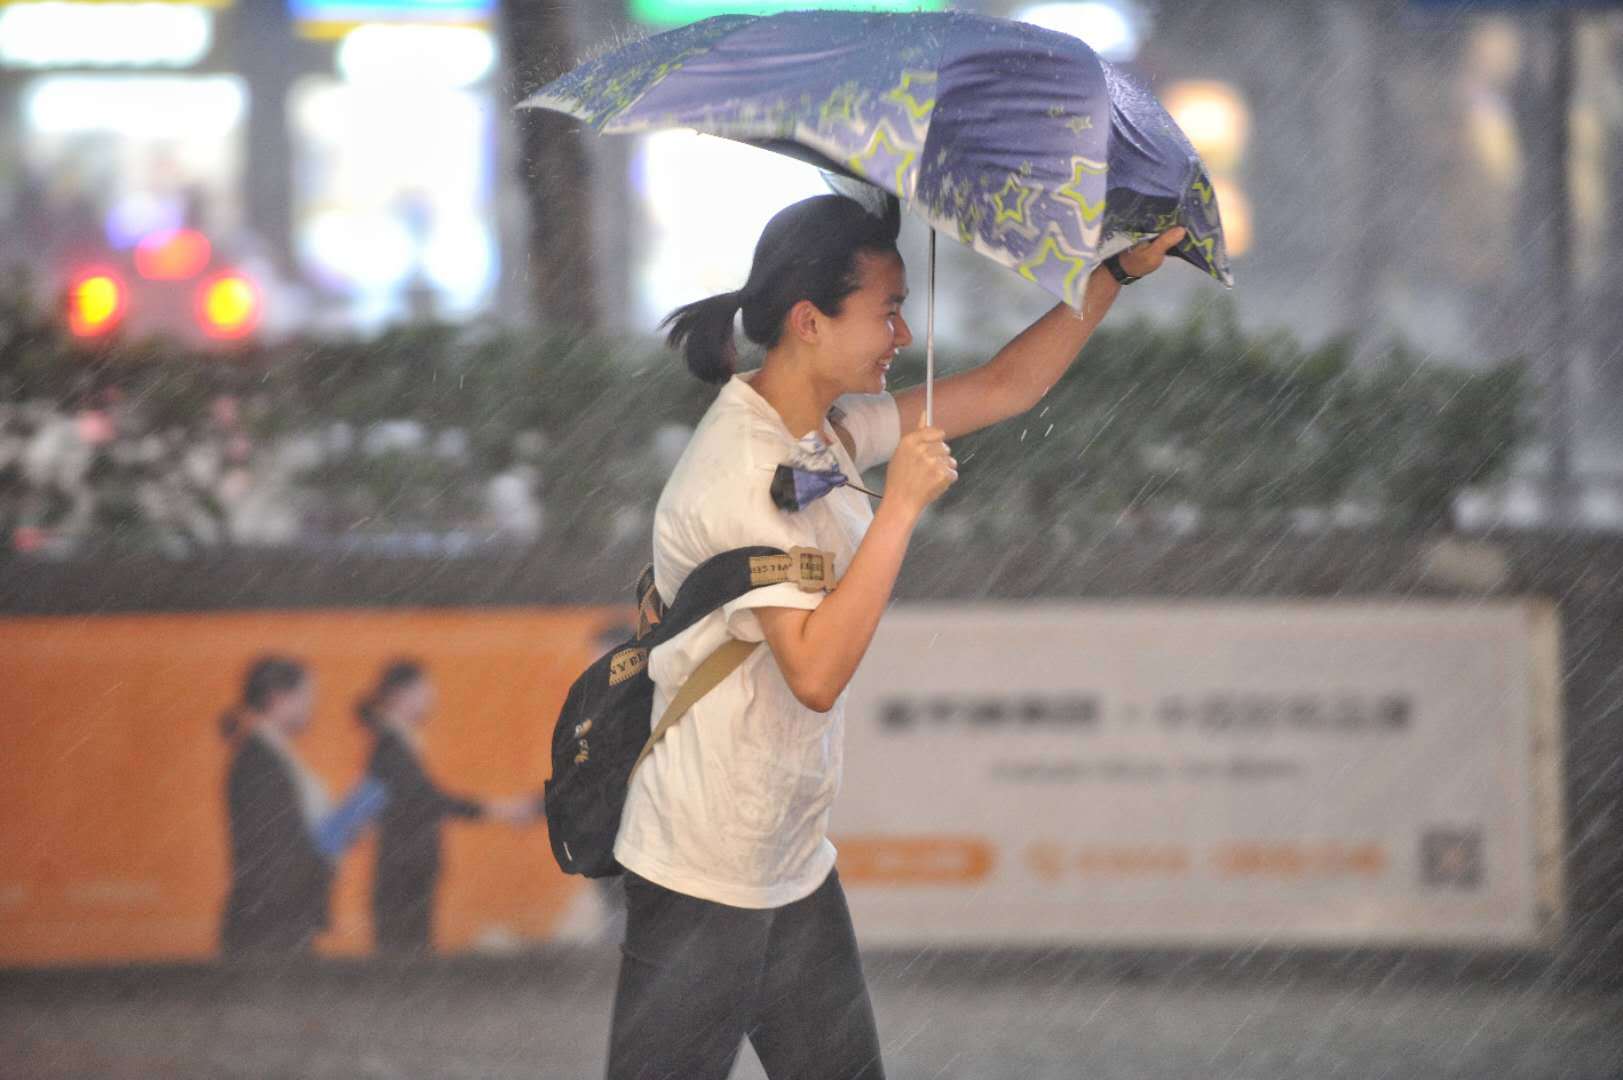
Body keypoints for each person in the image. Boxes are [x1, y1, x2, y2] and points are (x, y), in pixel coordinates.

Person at [607, 191, 1184, 1078]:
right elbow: (814, 673)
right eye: (887, 311)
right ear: (809, 321)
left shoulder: (820, 434)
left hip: (786, 857)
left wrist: (1110, 274)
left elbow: (1003, 385)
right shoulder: (739, 471)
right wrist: (901, 510)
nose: (903, 337)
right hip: (702, 868)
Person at [358, 659, 531, 955]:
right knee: (406, 959)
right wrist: (496, 810)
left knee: (408, 956)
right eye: (425, 689)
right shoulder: (390, 745)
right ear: (401, 695)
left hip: (406, 872)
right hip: (404, 875)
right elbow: (427, 800)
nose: (433, 698)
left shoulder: (395, 742)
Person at [219, 655, 333, 959]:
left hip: (282, 921)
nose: (312, 706)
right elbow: (273, 852)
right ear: (277, 698)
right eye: (306, 696)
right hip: (271, 927)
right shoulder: (259, 762)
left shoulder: (271, 755)